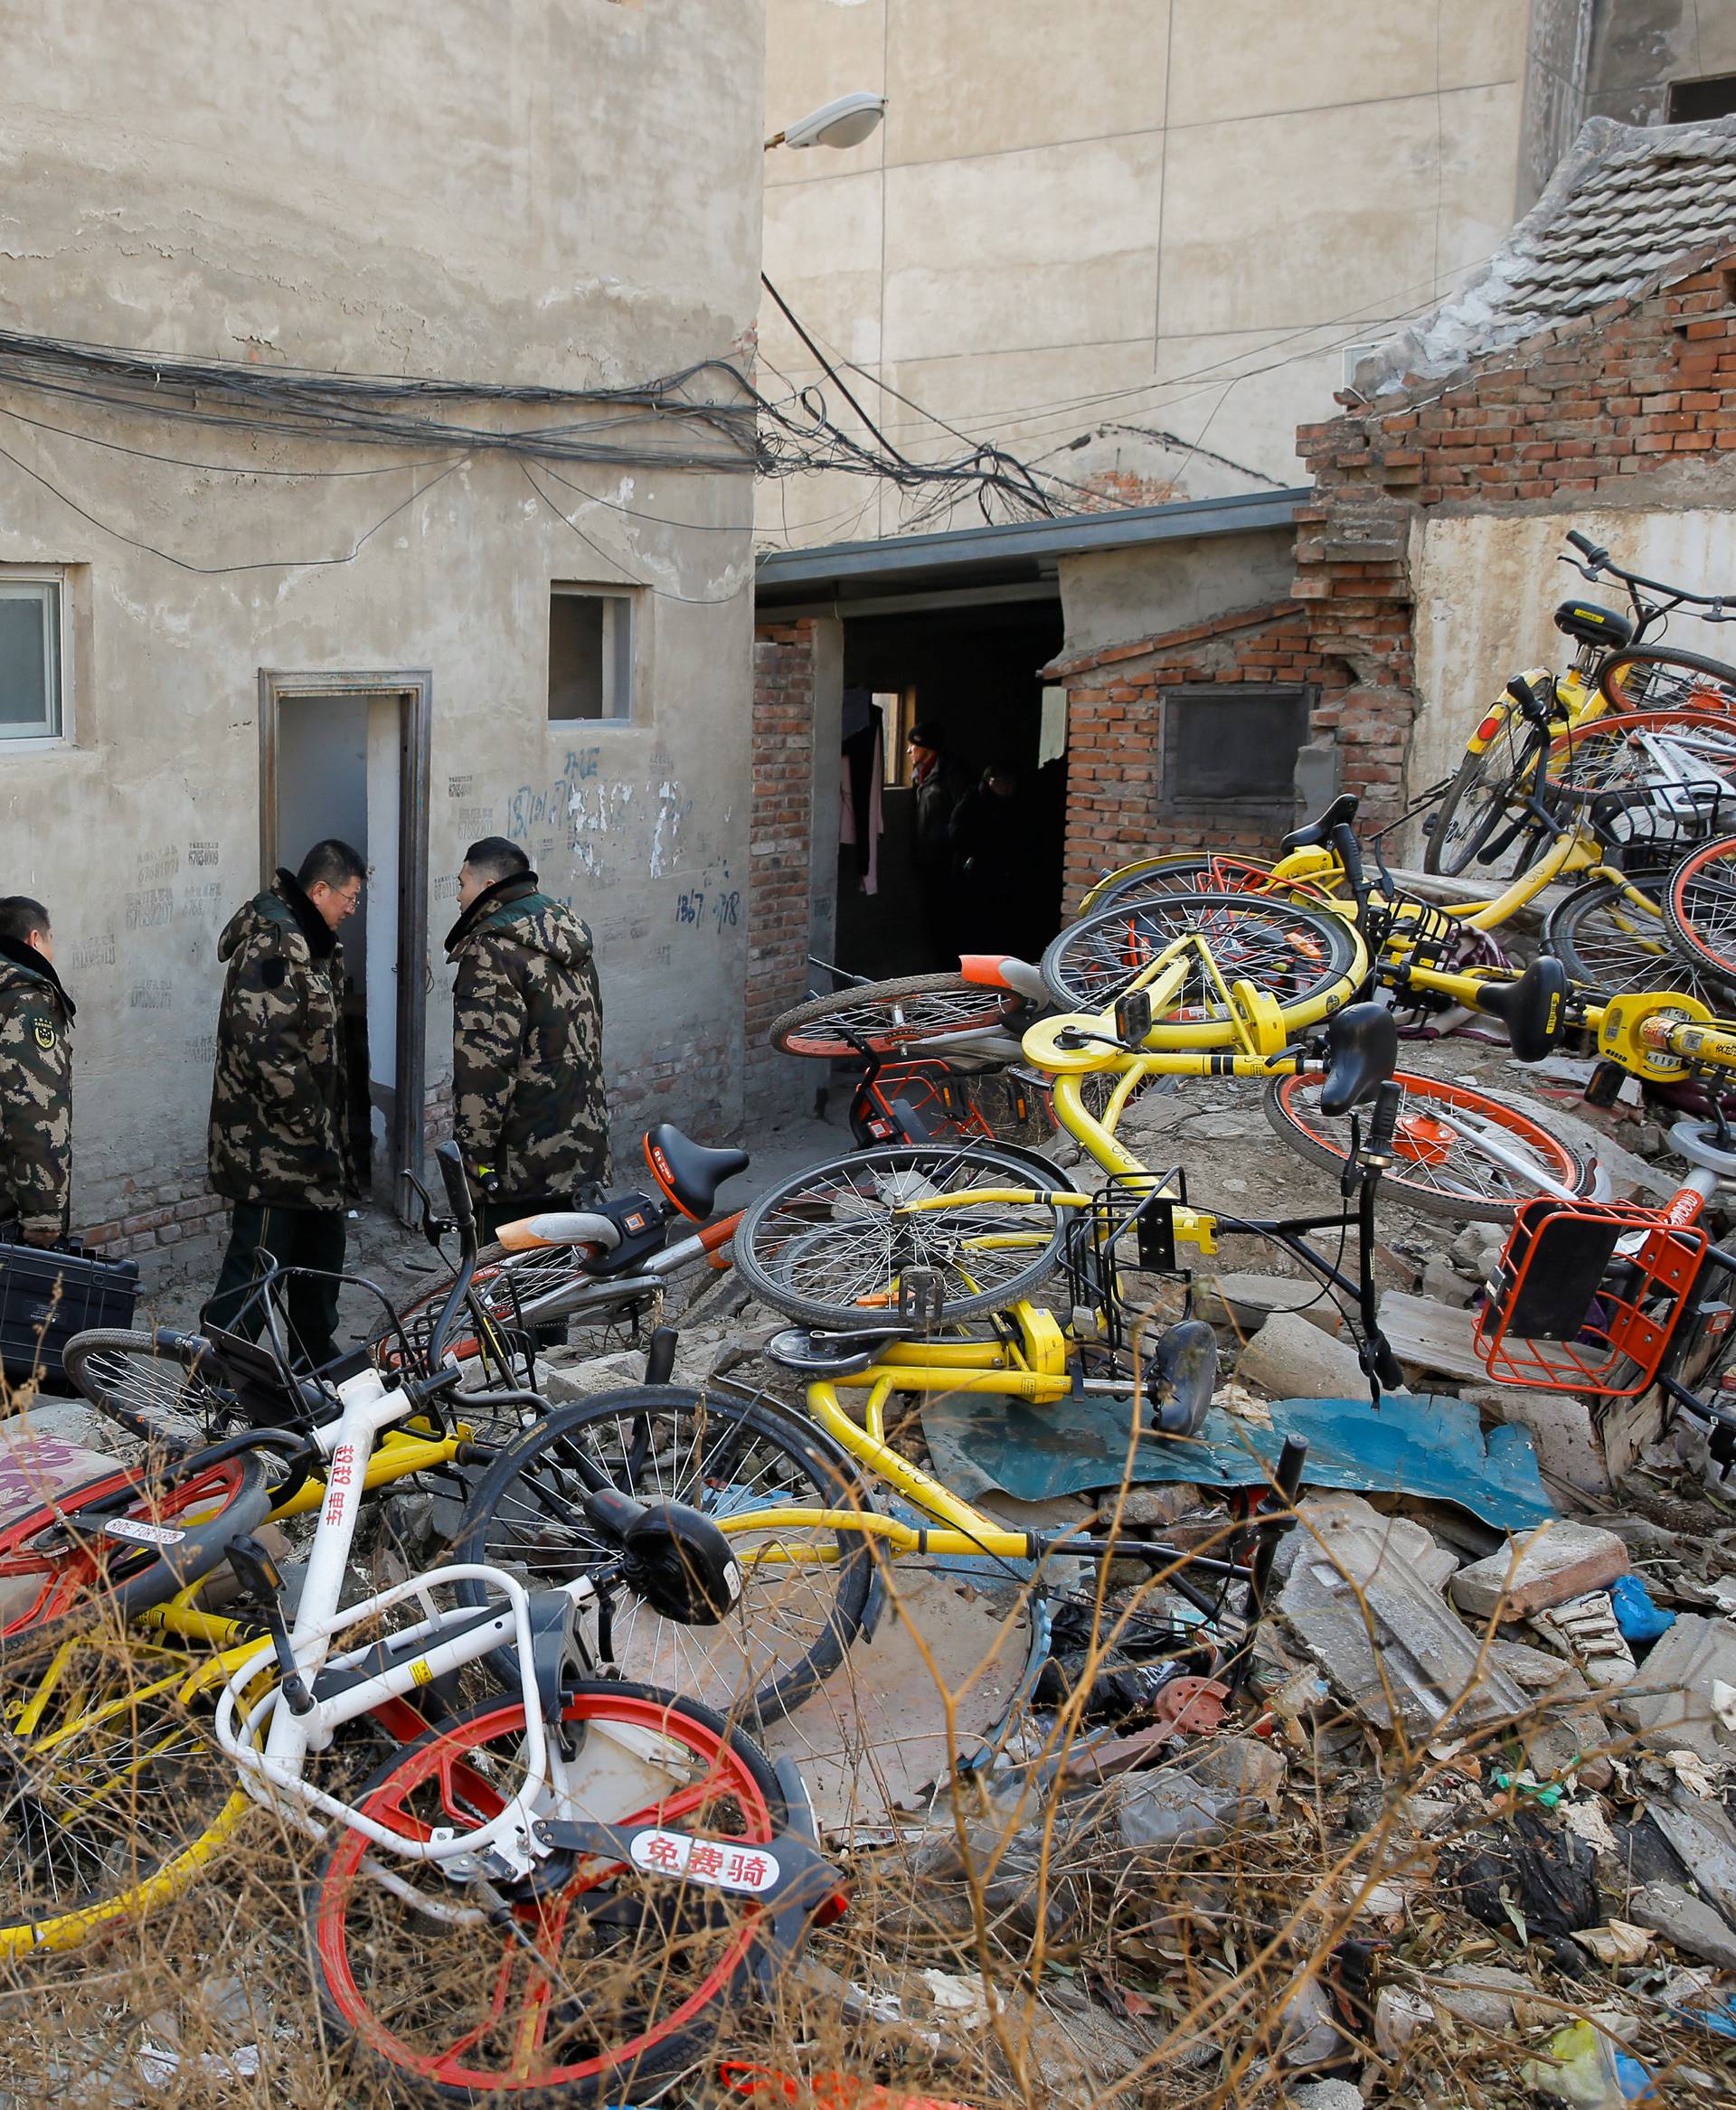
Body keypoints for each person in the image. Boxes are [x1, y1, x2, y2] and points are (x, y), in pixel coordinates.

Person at [203, 840, 362, 1366]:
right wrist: (315, 1127)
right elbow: (269, 1052)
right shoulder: (274, 944)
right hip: (269, 1148)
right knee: (258, 1266)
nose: (351, 909)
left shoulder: (315, 942)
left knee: (321, 1252)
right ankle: (214, 1381)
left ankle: (316, 1358)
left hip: (312, 1145)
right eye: (348, 898)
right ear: (319, 891)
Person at [446, 836, 609, 1242]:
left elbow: (485, 1067)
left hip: (519, 1161)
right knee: (557, 1284)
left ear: (486, 887)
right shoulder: (567, 932)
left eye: (462, 883)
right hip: (580, 1146)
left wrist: (476, 1156)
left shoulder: (492, 949)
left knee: (504, 1293)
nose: (458, 897)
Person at [0, 896, 73, 1247]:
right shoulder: (25, 1000)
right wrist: (43, 1217)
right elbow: (34, 1106)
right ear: (33, 940)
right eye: (50, 940)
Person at [907, 721, 970, 968]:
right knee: (931, 919)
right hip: (929, 857)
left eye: (913, 745)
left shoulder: (954, 774)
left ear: (927, 747)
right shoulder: (922, 773)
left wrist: (951, 844)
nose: (909, 751)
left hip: (948, 859)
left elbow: (964, 816)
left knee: (949, 919)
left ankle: (952, 970)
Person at [949, 760, 1029, 956]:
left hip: (1004, 875)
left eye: (1011, 782)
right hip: (978, 872)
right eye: (1003, 782)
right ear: (990, 781)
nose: (1008, 787)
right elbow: (957, 833)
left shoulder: (1015, 804)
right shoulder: (973, 800)